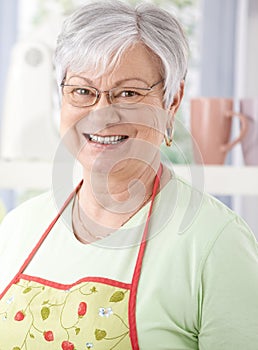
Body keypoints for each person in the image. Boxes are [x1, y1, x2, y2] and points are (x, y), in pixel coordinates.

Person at [0, 1, 258, 349]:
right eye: (82, 91)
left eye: (129, 93)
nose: (103, 115)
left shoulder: (217, 243)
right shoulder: (17, 230)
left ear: (172, 102)